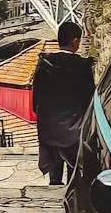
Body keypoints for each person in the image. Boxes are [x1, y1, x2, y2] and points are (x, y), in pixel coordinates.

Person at [32, 19, 95, 186]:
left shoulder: (44, 63)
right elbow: (90, 96)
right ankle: (71, 186)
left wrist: (41, 113)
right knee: (74, 157)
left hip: (49, 121)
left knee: (54, 155)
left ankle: (54, 183)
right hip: (74, 121)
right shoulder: (82, 66)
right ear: (75, 41)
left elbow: (36, 94)